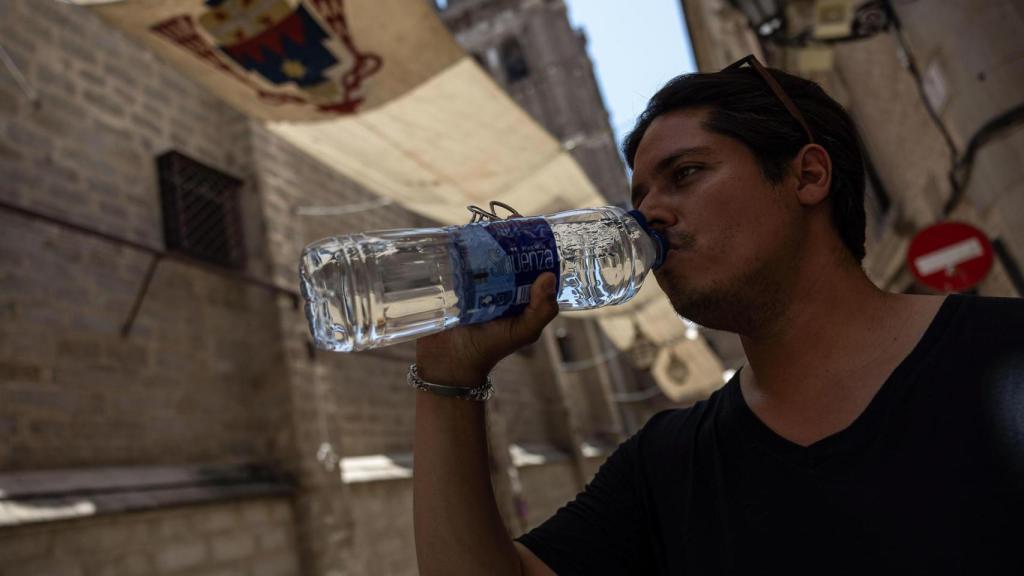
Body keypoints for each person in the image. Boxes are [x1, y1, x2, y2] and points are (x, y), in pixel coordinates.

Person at [411, 56, 1024, 575]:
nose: (649, 215)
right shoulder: (666, 464)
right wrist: (450, 382)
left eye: (686, 174)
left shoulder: (1005, 359)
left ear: (807, 175)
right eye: (640, 197)